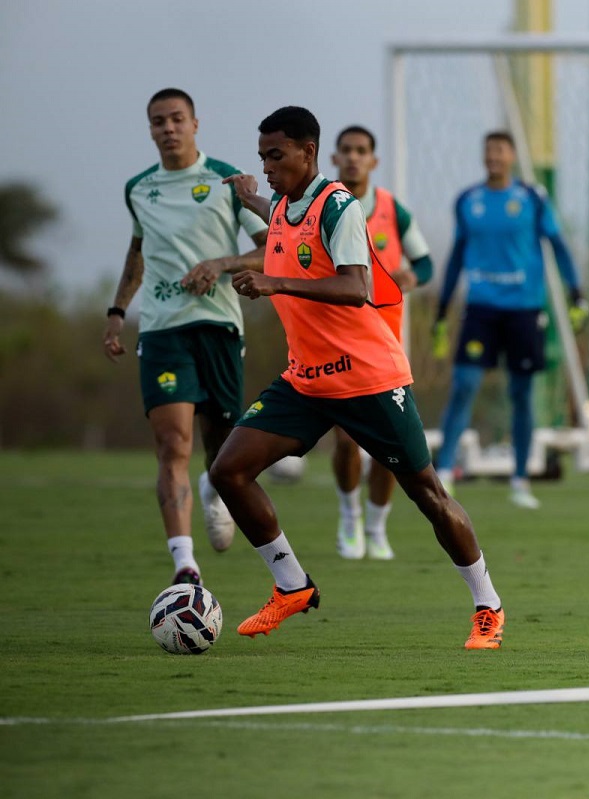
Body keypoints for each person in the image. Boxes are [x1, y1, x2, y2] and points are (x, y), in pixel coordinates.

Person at [211, 106, 504, 649]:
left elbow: (355, 288)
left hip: (369, 379)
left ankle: (487, 606)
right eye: (263, 158)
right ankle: (292, 586)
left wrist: (275, 284)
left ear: (308, 152)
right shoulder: (283, 203)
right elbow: (274, 209)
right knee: (228, 471)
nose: (270, 166)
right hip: (306, 382)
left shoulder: (338, 206)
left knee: (429, 496)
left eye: (276, 156)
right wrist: (249, 192)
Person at [103, 88, 268, 587]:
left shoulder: (226, 179)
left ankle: (215, 489)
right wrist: (116, 312)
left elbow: (271, 250)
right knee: (172, 441)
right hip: (161, 329)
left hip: (219, 327)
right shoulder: (138, 188)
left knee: (220, 452)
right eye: (158, 121)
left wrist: (223, 263)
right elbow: (138, 252)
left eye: (177, 119)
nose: (168, 128)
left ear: (196, 123)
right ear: (150, 129)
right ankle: (185, 568)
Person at [432, 130, 588, 510]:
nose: (494, 157)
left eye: (500, 151)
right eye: (489, 151)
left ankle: (520, 479)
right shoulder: (468, 201)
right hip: (481, 308)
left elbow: (558, 245)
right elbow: (456, 255)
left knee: (521, 393)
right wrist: (441, 308)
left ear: (513, 156)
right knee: (464, 383)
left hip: (524, 308)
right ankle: (447, 473)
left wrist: (575, 291)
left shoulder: (532, 199)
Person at [327, 125, 435, 561]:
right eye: (346, 151)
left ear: (373, 160)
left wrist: (412, 276)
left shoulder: (392, 210)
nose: (353, 158)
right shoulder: (325, 207)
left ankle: (376, 526)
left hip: (386, 345)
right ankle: (349, 518)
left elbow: (425, 263)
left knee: (391, 444)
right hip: (336, 340)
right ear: (334, 159)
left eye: (361, 151)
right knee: (346, 441)